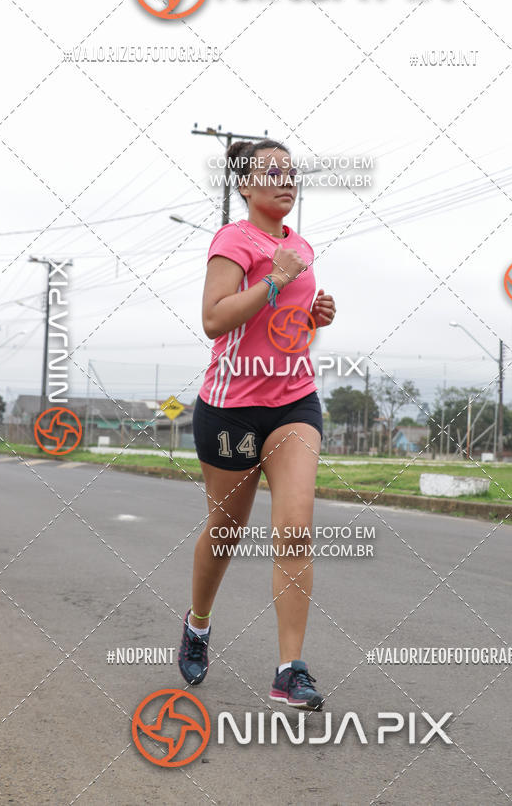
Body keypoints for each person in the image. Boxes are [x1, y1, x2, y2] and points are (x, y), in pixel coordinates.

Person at [177, 138, 336, 709]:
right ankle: (198, 623)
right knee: (225, 533)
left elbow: (283, 327)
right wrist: (273, 280)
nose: (285, 180)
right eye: (271, 172)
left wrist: (313, 315)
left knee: (295, 529)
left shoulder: (301, 246)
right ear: (244, 186)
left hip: (294, 400)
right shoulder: (234, 240)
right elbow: (214, 319)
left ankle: (289, 669)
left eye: (292, 172)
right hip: (232, 409)